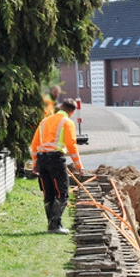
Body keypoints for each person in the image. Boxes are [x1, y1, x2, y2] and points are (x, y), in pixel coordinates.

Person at [30, 98, 84, 234]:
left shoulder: (44, 121)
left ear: (61, 108)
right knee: (62, 193)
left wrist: (35, 163)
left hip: (42, 160)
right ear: (71, 112)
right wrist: (79, 166)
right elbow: (71, 145)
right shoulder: (67, 122)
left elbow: (35, 144)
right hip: (56, 159)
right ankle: (55, 225)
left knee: (48, 193)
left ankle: (52, 224)